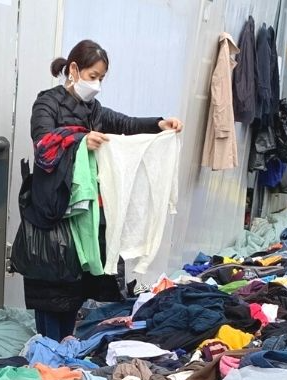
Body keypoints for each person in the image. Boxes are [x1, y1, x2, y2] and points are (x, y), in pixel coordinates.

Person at [23, 40, 183, 339]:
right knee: (52, 285)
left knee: (77, 285)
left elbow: (126, 123)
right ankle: (47, 347)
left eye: (101, 78)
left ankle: (66, 345)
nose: (96, 84)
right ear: (73, 69)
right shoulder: (47, 103)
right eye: (93, 76)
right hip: (53, 211)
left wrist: (160, 124)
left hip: (87, 212)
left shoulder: (94, 110)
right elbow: (43, 142)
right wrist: (81, 140)